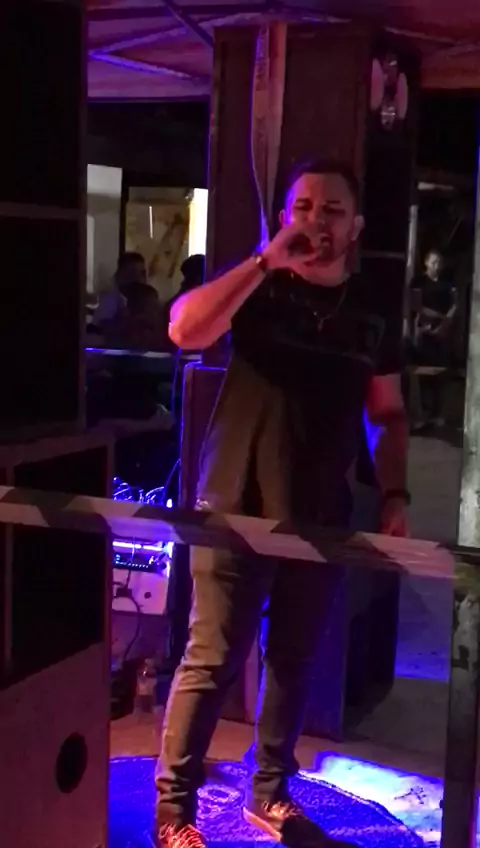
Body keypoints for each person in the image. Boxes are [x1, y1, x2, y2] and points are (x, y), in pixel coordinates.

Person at [155, 159, 409, 848]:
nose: (315, 221)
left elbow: (387, 413)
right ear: (283, 218)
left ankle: (269, 793)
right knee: (213, 656)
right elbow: (185, 329)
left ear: (355, 228)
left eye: (332, 210)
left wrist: (395, 491)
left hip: (320, 509)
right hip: (234, 501)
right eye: (302, 207)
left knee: (294, 658)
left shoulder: (372, 312)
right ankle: (173, 812)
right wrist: (265, 260)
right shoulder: (258, 287)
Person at [409, 249, 457, 428]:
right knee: (423, 372)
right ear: (426, 263)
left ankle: (438, 413)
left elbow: (455, 303)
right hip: (425, 329)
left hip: (443, 331)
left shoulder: (448, 281)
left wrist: (445, 322)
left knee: (441, 372)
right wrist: (437, 318)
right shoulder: (419, 281)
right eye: (434, 262)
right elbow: (416, 305)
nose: (437, 265)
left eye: (439, 262)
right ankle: (423, 413)